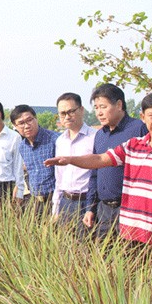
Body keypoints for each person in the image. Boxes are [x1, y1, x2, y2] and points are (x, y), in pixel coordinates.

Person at [46, 92, 152, 251]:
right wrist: (70, 160)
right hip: (129, 230)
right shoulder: (133, 145)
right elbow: (100, 160)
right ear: (143, 117)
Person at [84, 83, 148, 239]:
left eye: (103, 107)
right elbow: (95, 173)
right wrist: (90, 208)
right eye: (96, 107)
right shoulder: (100, 135)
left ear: (119, 105)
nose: (99, 112)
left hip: (130, 208)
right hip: (103, 210)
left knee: (130, 256)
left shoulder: (138, 129)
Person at [52, 92, 96, 236]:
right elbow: (59, 177)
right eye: (62, 113)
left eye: (71, 111)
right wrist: (56, 208)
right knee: (65, 249)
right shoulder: (60, 141)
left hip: (86, 202)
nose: (67, 116)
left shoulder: (94, 137)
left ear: (81, 110)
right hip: (65, 202)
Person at [11, 104, 57, 215]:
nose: (26, 126)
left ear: (36, 119)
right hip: (35, 202)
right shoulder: (22, 146)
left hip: (55, 201)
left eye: (29, 120)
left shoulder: (55, 140)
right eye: (21, 123)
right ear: (15, 126)